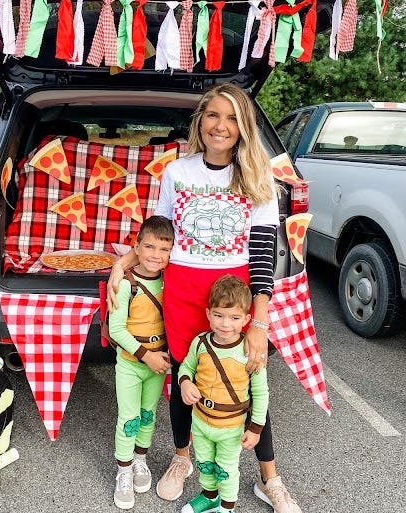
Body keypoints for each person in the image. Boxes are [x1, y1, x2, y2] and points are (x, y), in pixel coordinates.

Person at [108, 83, 302, 513]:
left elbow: (264, 249)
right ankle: (182, 460)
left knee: (244, 380)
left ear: (243, 127)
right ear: (201, 121)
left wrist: (259, 320)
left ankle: (269, 479)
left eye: (232, 118)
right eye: (213, 115)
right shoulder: (177, 173)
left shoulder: (257, 177)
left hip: (231, 296)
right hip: (181, 291)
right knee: (185, 377)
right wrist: (123, 263)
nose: (221, 125)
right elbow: (158, 234)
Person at [179, 275, 269, 513]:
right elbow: (186, 367)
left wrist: (256, 428)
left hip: (230, 427)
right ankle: (210, 497)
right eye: (218, 315)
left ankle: (227, 508)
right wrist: (186, 382)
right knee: (205, 464)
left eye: (234, 318)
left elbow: (261, 393)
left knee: (226, 469)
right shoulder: (200, 343)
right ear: (208, 314)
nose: (225, 324)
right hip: (200, 422)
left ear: (247, 320)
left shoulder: (249, 351)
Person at [108, 215, 174, 510]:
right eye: (148, 247)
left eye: (163, 249)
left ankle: (140, 461)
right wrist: (146, 356)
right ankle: (123, 472)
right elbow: (116, 329)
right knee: (129, 417)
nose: (155, 255)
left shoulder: (171, 280)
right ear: (136, 246)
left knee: (148, 415)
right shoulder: (127, 283)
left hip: (158, 363)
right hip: (133, 364)